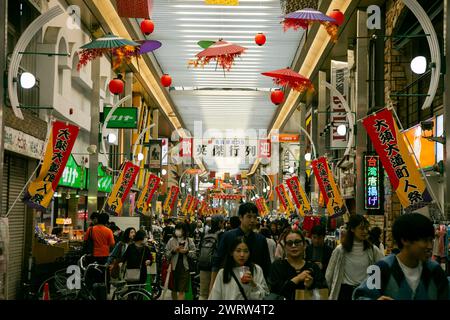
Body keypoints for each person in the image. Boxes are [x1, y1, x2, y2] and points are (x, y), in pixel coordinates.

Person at [354, 213, 449, 300]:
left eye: (431, 240)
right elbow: (361, 296)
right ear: (405, 240)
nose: (430, 246)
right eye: (425, 241)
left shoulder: (435, 271)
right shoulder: (382, 269)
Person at [210, 203, 271, 292]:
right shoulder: (228, 236)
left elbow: (266, 265)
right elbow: (217, 262)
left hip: (254, 285)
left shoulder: (261, 240)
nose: (252, 220)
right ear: (240, 217)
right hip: (230, 284)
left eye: (255, 217)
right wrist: (212, 287)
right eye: (249, 217)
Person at [325, 215, 384, 300]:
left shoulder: (372, 249)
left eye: (366, 228)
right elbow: (329, 273)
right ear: (352, 229)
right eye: (361, 228)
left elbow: (382, 267)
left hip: (364, 292)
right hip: (345, 292)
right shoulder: (340, 250)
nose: (365, 231)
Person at [268, 229, 326, 300]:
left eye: (297, 242)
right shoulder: (277, 266)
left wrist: (312, 284)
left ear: (304, 245)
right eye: (289, 243)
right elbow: (275, 291)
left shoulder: (313, 267)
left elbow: (324, 290)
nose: (293, 245)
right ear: (285, 247)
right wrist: (297, 279)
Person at [165, 222, 197, 300]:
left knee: (181, 290)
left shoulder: (189, 240)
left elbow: (194, 254)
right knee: (173, 289)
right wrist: (174, 251)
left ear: (184, 231)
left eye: (180, 229)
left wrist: (186, 252)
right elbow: (166, 254)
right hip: (173, 267)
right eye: (177, 229)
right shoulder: (171, 240)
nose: (178, 231)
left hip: (184, 267)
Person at [198, 215, 225, 300]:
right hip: (216, 268)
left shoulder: (205, 234)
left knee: (202, 293)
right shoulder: (221, 235)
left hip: (204, 265)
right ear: (220, 223)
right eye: (223, 222)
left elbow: (199, 248)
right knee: (214, 293)